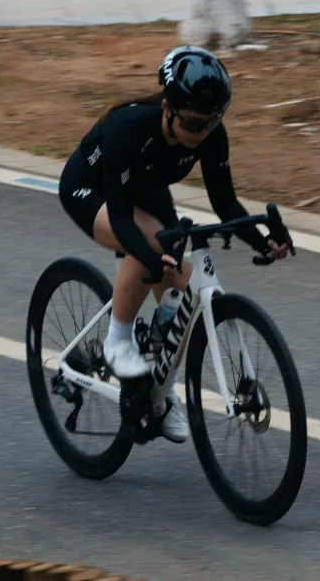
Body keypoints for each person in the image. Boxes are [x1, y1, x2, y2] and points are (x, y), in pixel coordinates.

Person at [58, 45, 289, 443]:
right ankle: (116, 341)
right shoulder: (128, 128)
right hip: (92, 190)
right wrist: (148, 256)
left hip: (145, 188)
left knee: (183, 291)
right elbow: (120, 218)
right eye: (195, 124)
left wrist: (263, 240)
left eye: (212, 123)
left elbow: (224, 202)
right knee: (148, 244)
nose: (203, 134)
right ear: (168, 109)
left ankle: (162, 394)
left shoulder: (209, 133)